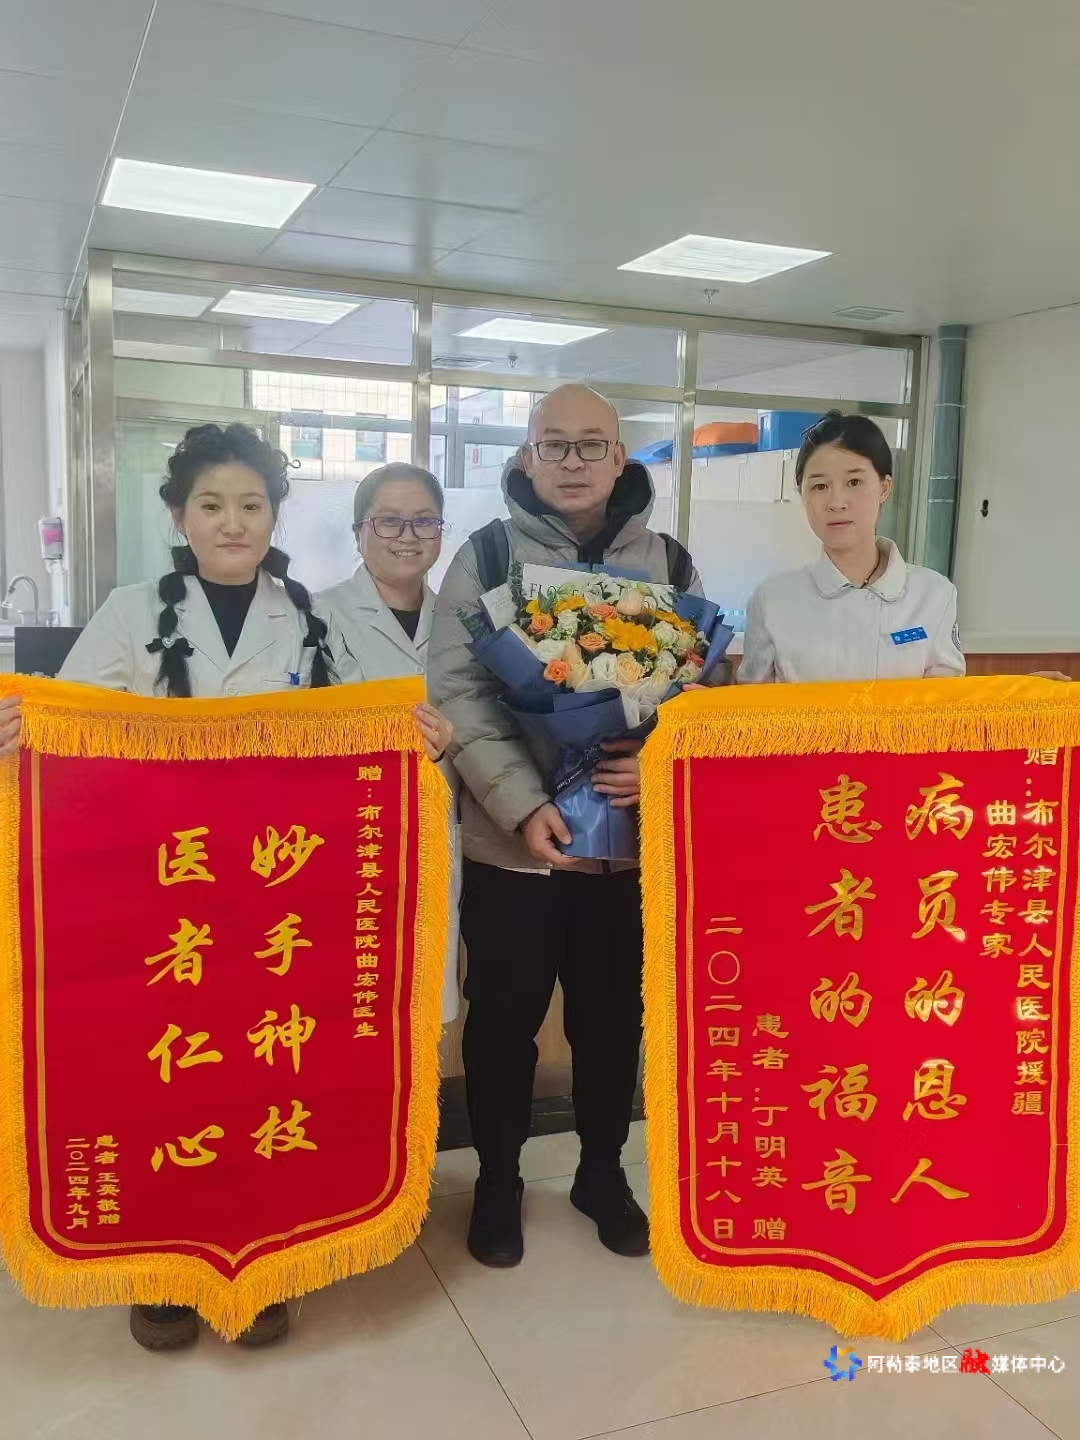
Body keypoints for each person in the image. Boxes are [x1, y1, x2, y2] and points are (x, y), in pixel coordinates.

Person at [0, 423, 451, 1351]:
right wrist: (24, 732)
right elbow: (79, 733)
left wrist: (422, 739)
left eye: (251, 505)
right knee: (169, 1080)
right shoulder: (130, 612)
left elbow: (365, 728)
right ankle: (165, 1271)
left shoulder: (311, 620)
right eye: (211, 505)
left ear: (275, 517)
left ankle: (267, 1258)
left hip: (275, 904)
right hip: (166, 901)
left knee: (260, 1084)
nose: (232, 522)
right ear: (179, 516)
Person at [428, 383, 710, 1269]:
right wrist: (522, 802)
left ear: (621, 458)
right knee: (502, 1021)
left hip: (626, 848)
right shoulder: (485, 554)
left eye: (593, 445)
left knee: (611, 1020)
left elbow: (699, 689)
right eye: (555, 444)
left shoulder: (668, 561)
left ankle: (600, 1173)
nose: (574, 461)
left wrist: (656, 761)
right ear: (527, 456)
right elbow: (458, 691)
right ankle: (498, 1182)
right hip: (513, 847)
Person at [317, 462, 460, 1025]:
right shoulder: (313, 617)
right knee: (343, 1006)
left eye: (424, 521)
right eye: (388, 522)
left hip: (430, 836)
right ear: (359, 532)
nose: (408, 536)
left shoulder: (463, 623)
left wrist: (451, 744)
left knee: (417, 1014)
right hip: (345, 837)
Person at [739, 411, 966, 683]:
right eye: (819, 486)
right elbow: (752, 703)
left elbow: (946, 702)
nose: (837, 502)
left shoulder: (933, 595)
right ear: (801, 493)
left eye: (854, 482)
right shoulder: (772, 600)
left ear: (884, 488)